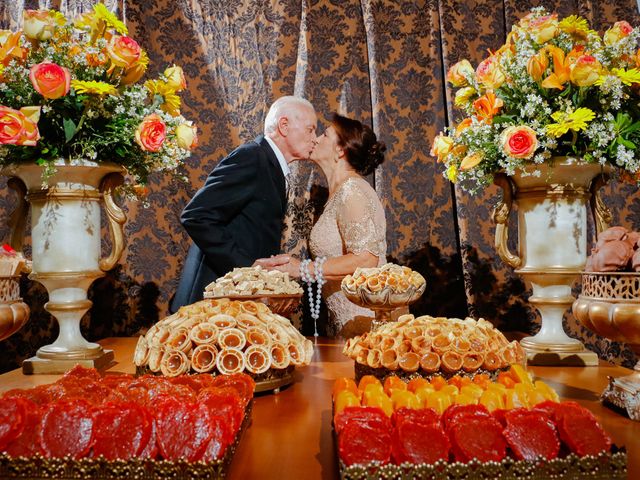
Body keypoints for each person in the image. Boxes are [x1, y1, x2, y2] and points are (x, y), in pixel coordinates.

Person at [170, 96, 317, 312]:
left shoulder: (270, 163)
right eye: (310, 129)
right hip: (212, 303)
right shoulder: (253, 157)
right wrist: (247, 267)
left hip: (234, 305)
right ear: (284, 126)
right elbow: (195, 215)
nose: (314, 138)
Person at [256, 113, 387, 337]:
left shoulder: (351, 191)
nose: (315, 139)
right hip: (343, 322)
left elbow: (366, 258)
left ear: (340, 150)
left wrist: (301, 268)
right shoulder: (338, 193)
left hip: (364, 325)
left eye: (324, 135)